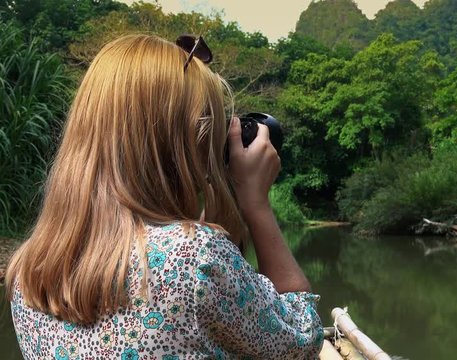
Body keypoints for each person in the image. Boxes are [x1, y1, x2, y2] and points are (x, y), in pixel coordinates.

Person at [4, 34, 323, 359]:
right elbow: (301, 340)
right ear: (185, 144)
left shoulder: (28, 272)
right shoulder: (197, 258)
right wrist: (256, 205)